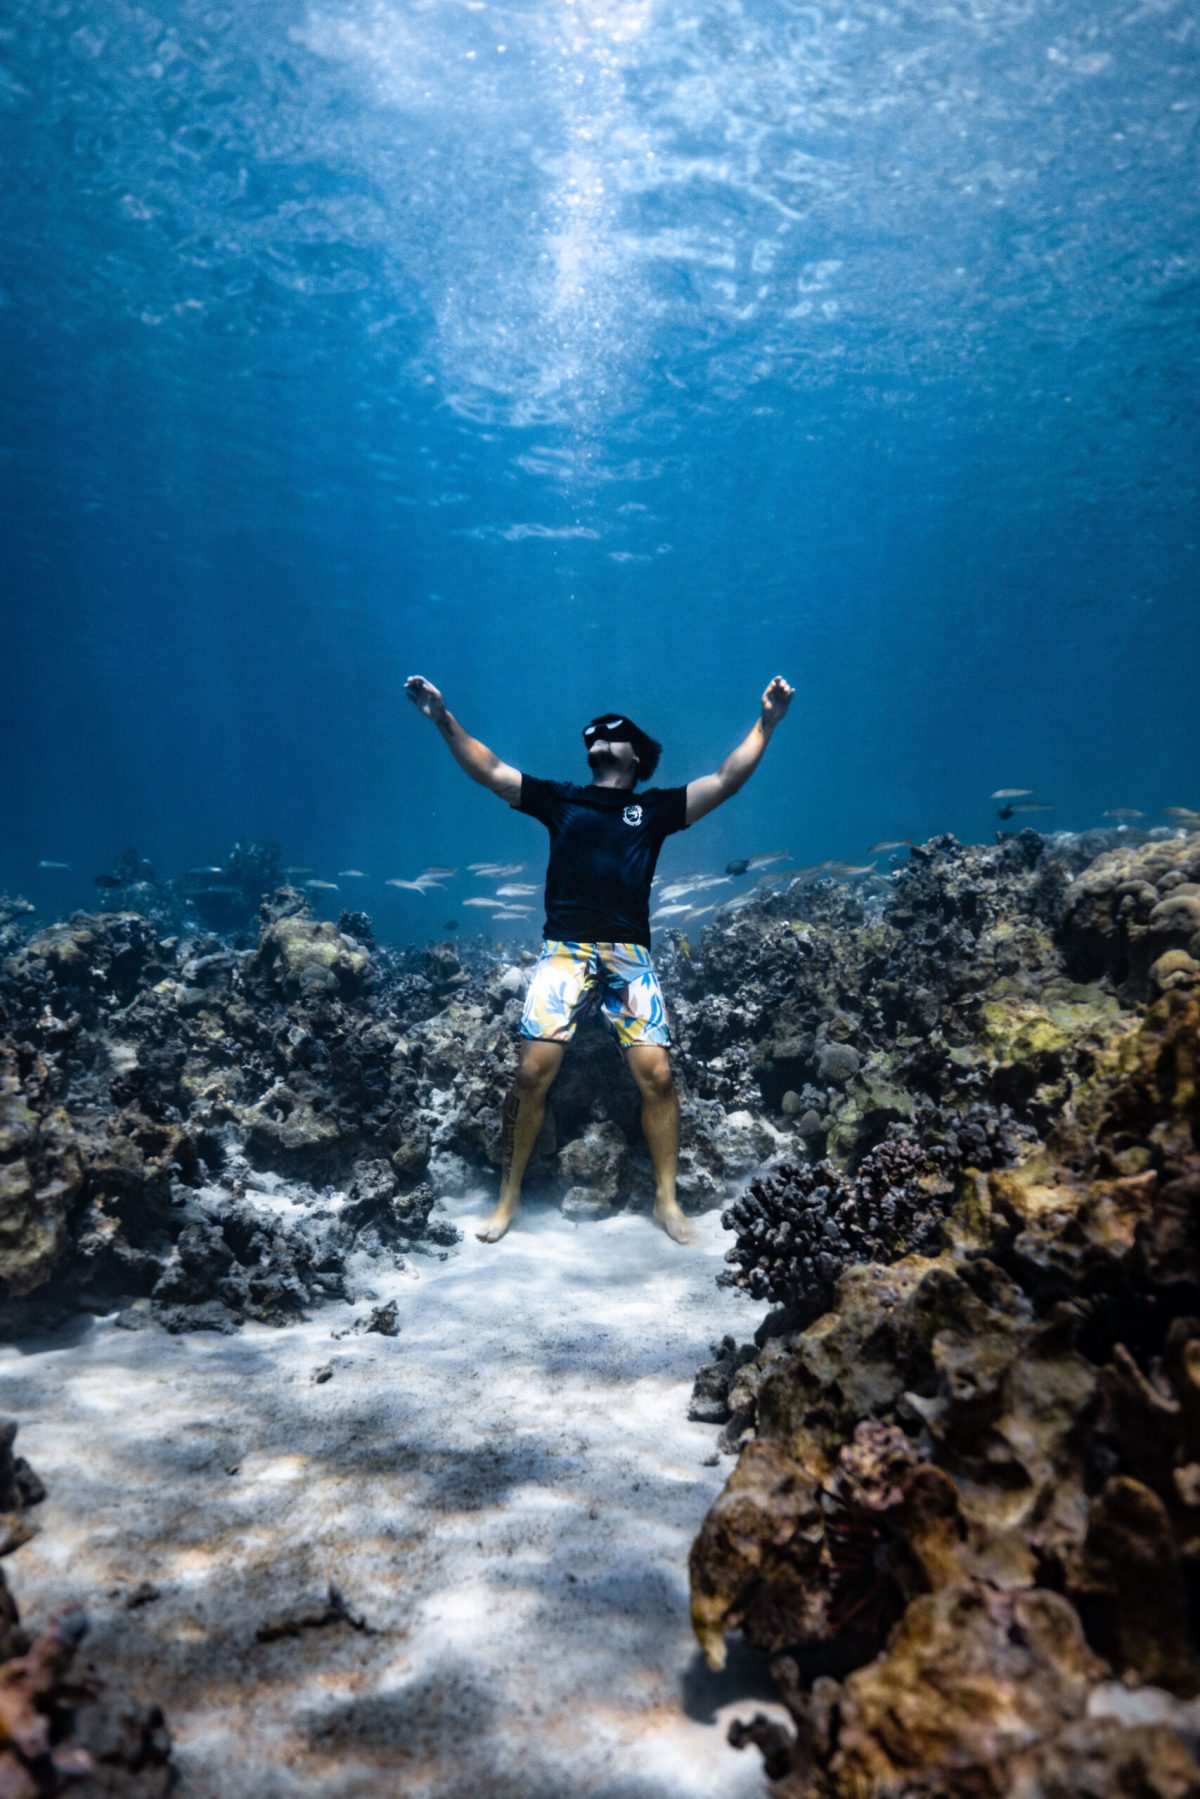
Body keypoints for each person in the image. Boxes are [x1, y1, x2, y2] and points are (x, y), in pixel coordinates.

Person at [403, 674, 795, 1244]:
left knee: (657, 1077)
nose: (594, 737)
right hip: (563, 950)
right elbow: (490, 771)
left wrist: (766, 723)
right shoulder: (561, 798)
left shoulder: (655, 809)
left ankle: (666, 1199)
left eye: (609, 733)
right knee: (531, 1073)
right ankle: (507, 1196)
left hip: (630, 955)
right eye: (589, 735)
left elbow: (725, 780)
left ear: (636, 753)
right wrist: (443, 717)